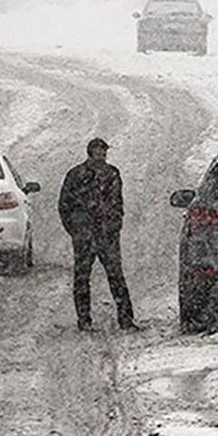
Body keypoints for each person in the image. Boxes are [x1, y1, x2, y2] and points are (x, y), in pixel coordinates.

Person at [58, 138, 140, 332]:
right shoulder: (76, 175)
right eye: (98, 152)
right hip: (85, 235)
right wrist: (76, 230)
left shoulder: (112, 174)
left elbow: (117, 203)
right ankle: (84, 320)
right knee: (82, 278)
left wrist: (114, 225)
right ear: (90, 153)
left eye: (104, 152)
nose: (101, 156)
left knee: (116, 276)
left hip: (106, 234)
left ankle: (126, 319)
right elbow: (64, 205)